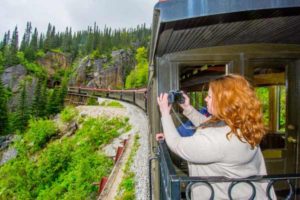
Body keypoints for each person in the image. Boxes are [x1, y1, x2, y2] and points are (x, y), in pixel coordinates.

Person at [157, 74, 276, 200]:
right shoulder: (243, 126)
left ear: (223, 102)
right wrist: (188, 108)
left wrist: (165, 112)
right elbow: (208, 124)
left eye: (209, 96)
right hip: (252, 193)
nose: (205, 99)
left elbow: (177, 144)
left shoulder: (219, 140)